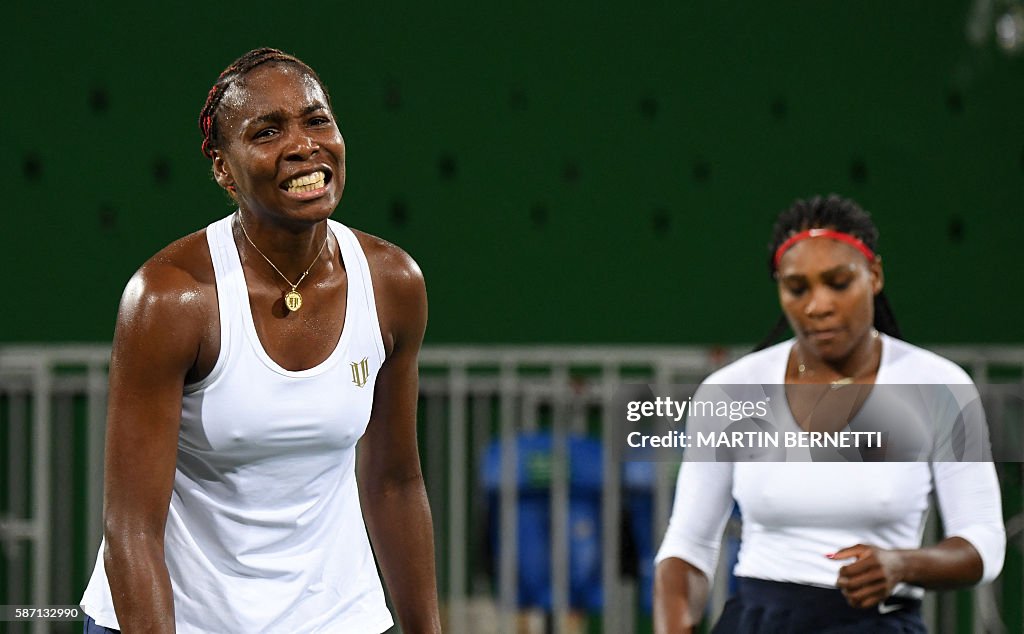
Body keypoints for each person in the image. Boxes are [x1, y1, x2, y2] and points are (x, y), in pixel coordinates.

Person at [80, 48, 440, 633]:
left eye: (317, 119)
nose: (303, 146)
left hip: (336, 617)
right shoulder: (170, 298)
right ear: (223, 168)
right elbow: (132, 527)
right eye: (267, 131)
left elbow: (395, 482)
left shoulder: (393, 282)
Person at [653, 195, 1005, 633]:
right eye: (797, 289)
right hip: (757, 621)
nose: (818, 305)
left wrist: (902, 564)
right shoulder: (732, 390)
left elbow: (983, 543)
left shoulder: (938, 386)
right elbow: (689, 542)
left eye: (838, 283)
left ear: (874, 276)